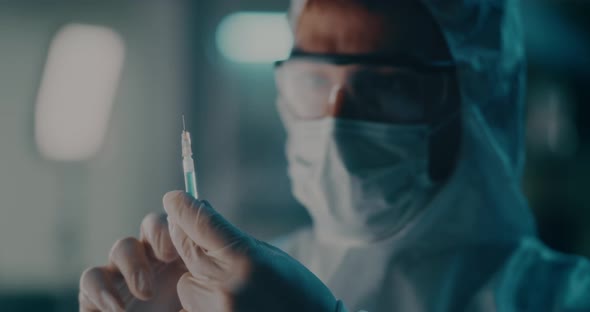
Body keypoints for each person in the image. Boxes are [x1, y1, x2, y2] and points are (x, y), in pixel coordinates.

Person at [79, 0, 590, 311]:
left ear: (479, 103)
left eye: (387, 86)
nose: (337, 116)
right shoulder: (239, 281)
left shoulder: (564, 299)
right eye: (313, 79)